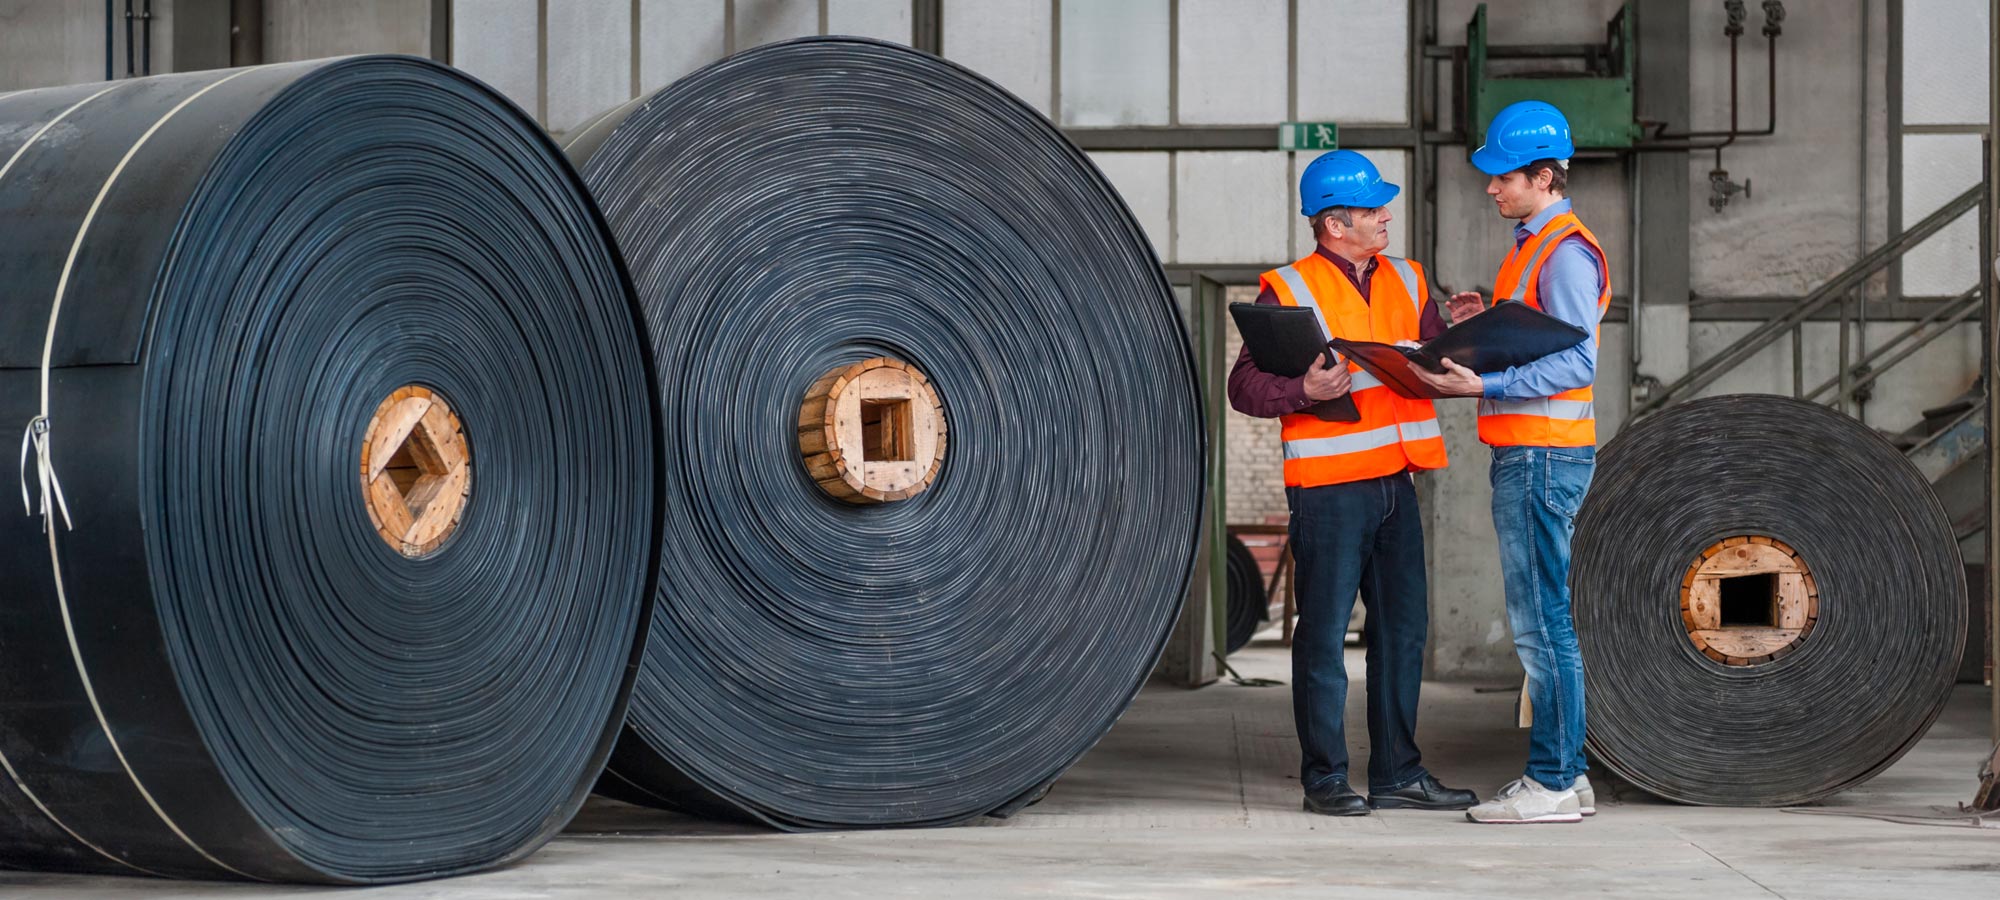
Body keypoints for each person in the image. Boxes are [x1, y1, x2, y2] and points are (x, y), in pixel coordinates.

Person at [1228, 149, 1475, 816]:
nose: (1384, 215)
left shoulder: (1410, 279)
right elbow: (1243, 386)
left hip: (1396, 482)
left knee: (1403, 632)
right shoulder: (1289, 288)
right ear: (1334, 225)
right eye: (1371, 209)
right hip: (1330, 488)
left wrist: (1470, 334)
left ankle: (1398, 773)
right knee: (1323, 633)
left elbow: (1439, 361)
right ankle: (1325, 778)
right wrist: (1304, 390)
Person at [1409, 101, 1609, 825]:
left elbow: (1578, 358)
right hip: (1532, 454)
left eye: (1501, 177)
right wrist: (1478, 321)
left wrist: (1483, 384)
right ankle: (1574, 775)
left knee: (1540, 623)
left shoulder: (1565, 251)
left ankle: (1552, 781)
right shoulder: (1534, 245)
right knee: (1548, 617)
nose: (1490, 188)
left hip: (1541, 456)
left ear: (1543, 175)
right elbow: (1536, 336)